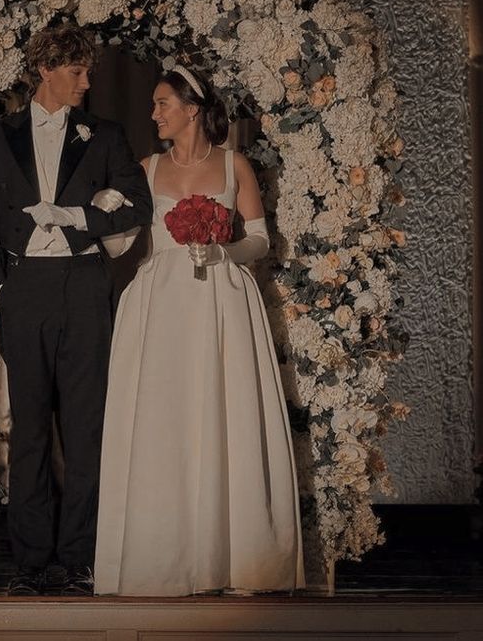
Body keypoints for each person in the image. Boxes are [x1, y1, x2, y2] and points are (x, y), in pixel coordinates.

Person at [93, 66, 305, 596]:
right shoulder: (145, 168)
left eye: (163, 103)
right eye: (153, 104)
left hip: (220, 299)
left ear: (192, 109)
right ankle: (162, 554)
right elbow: (121, 247)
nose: (154, 113)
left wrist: (222, 251)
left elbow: (259, 240)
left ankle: (228, 556)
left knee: (221, 411)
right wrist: (103, 215)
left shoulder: (235, 165)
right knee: (163, 419)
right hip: (158, 304)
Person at [0, 24, 152, 596]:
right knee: (27, 434)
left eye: (88, 71)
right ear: (45, 69)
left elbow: (137, 205)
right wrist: (0, 292)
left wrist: (80, 218)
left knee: (84, 429)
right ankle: (29, 562)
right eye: (76, 71)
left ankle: (78, 559)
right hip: (24, 290)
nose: (86, 81)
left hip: (85, 286)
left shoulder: (105, 135)